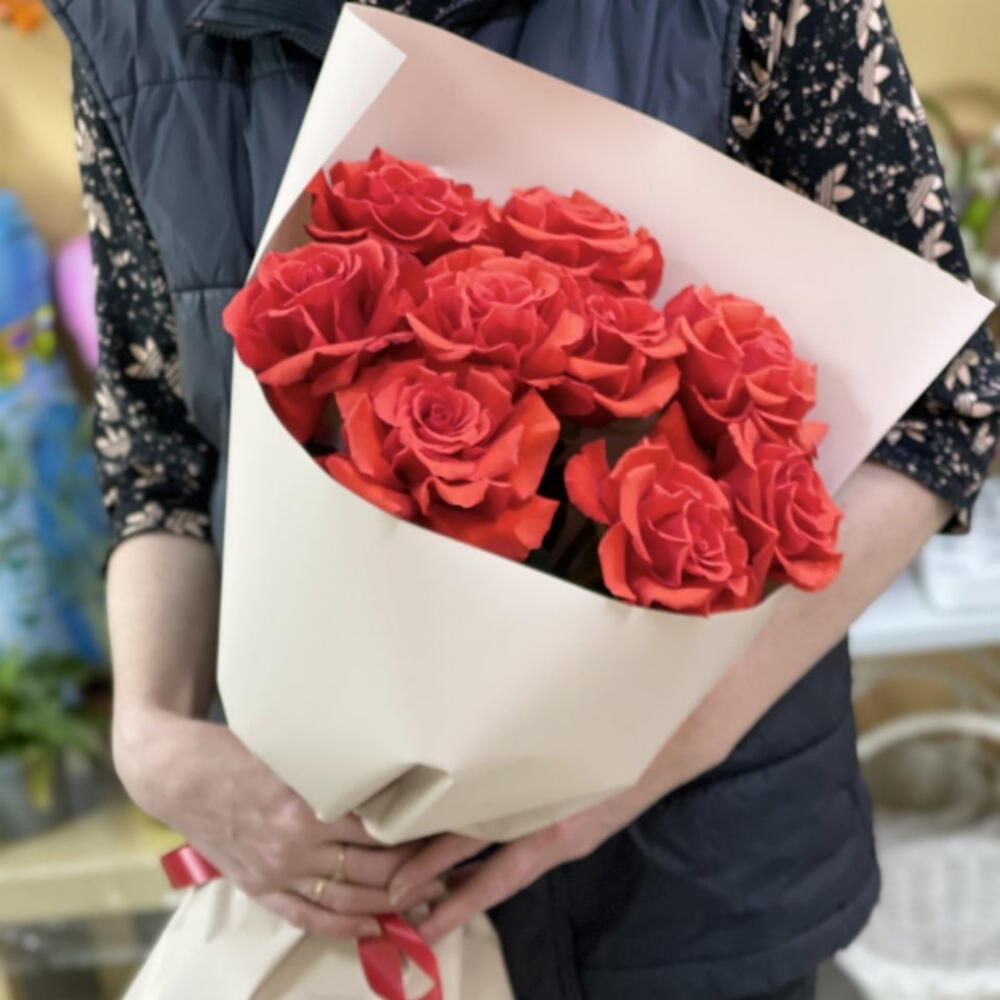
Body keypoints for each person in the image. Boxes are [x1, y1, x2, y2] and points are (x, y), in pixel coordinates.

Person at [57, 0, 999, 997]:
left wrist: (637, 759)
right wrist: (151, 740)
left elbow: (940, 408)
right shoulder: (130, 21)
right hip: (327, 869)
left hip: (690, 869)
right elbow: (156, 442)